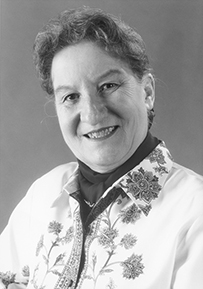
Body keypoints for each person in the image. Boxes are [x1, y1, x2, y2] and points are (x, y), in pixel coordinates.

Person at [0, 7, 202, 289]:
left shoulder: (194, 211)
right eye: (71, 96)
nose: (92, 114)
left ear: (147, 92)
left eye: (107, 85)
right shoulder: (43, 196)